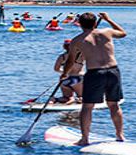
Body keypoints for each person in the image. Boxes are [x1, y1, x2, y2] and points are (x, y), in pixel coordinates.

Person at [67, 12, 126, 145]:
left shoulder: (77, 40)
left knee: (87, 106)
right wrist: (108, 19)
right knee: (114, 105)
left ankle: (84, 139)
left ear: (80, 24)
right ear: (95, 23)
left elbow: (70, 61)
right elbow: (123, 33)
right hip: (113, 71)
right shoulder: (107, 32)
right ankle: (120, 135)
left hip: (94, 73)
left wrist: (65, 74)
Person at [53, 39, 84, 103]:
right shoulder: (81, 56)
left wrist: (65, 72)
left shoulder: (62, 56)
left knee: (66, 97)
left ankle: (56, 100)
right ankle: (78, 100)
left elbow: (56, 69)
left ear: (64, 47)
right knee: (82, 96)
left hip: (65, 79)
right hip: (78, 79)